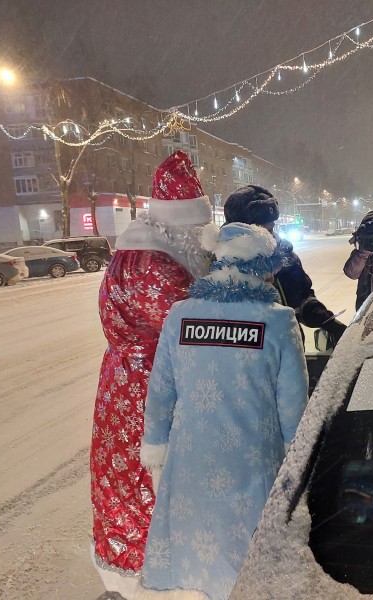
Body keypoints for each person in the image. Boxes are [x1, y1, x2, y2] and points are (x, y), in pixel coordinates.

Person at [137, 222, 308, 600]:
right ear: (262, 265)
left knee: (195, 554)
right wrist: (299, 467)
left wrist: (155, 445)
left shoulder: (180, 315)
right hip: (253, 463)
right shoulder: (277, 320)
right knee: (246, 562)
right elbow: (294, 407)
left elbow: (161, 390)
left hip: (190, 460)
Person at [90, 150, 213, 598]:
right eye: (196, 228)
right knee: (151, 480)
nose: (201, 237)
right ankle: (157, 579)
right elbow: (196, 327)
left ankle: (133, 570)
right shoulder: (157, 267)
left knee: (124, 480)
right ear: (179, 224)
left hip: (123, 383)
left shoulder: (135, 254)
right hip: (149, 390)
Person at [222, 185, 348, 345]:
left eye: (272, 226)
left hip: (289, 348)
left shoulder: (286, 258)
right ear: (239, 230)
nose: (270, 235)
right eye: (261, 229)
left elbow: (302, 299)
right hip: (246, 359)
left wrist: (326, 320)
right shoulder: (219, 266)